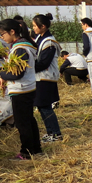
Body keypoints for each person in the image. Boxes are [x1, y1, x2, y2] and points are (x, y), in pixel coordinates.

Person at [0, 19, 42, 161]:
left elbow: (17, 73)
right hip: (27, 88)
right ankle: (36, 149)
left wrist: (2, 74)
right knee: (28, 119)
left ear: (12, 31)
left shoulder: (21, 48)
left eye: (3, 33)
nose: (2, 36)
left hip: (21, 89)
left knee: (22, 122)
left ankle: (26, 152)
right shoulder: (21, 46)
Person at [32, 13, 63, 143]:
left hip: (46, 78)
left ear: (43, 26)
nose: (33, 28)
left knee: (45, 107)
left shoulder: (49, 42)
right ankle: (50, 132)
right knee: (41, 106)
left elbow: (44, 63)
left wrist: (27, 67)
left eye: (34, 26)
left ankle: (56, 133)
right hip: (41, 78)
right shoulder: (40, 38)